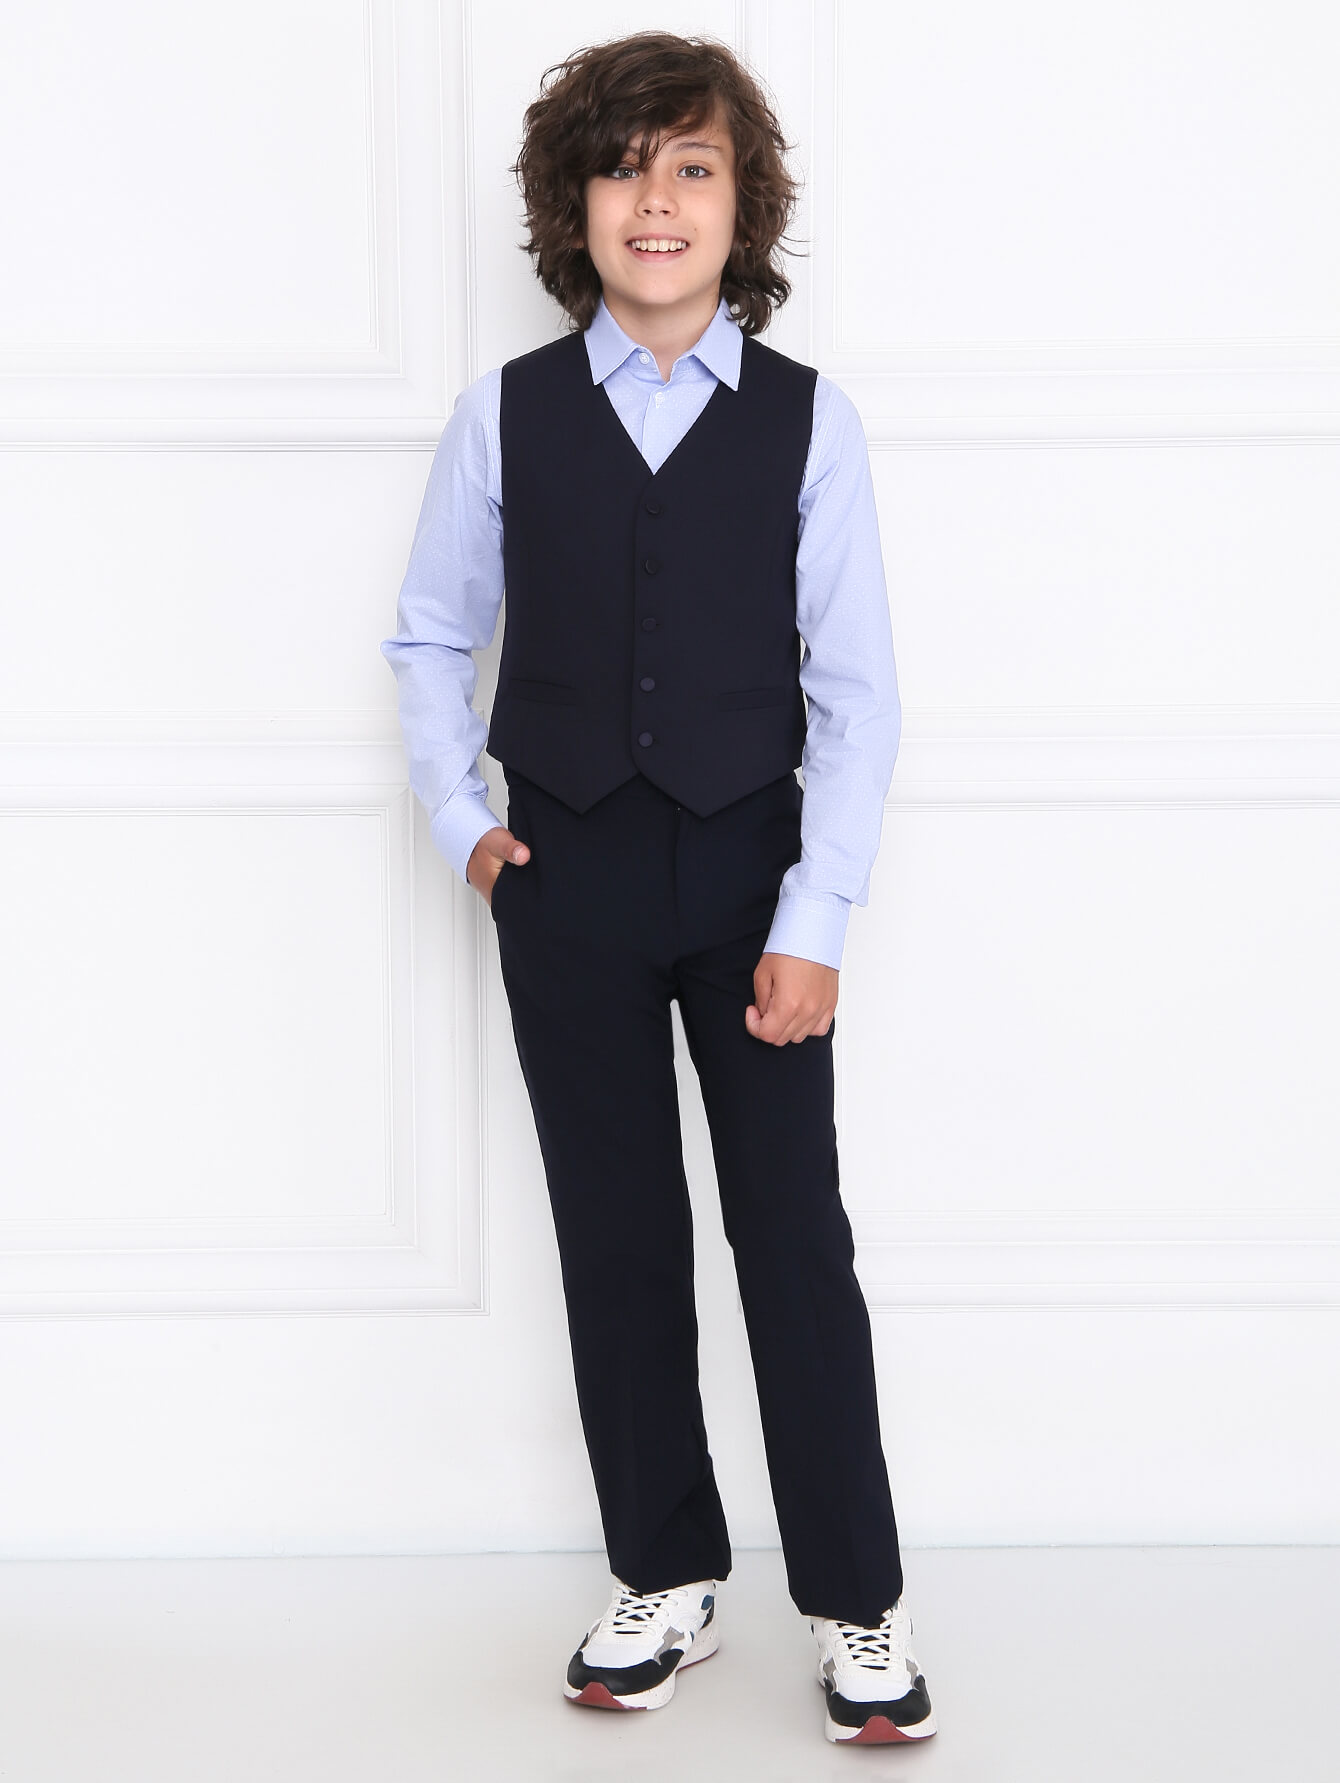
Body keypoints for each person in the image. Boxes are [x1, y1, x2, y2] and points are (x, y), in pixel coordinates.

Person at [381, 30, 937, 1747]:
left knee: (792, 1237)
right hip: (565, 878)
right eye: (623, 168)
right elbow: (430, 635)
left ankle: (856, 1603)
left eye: (692, 167)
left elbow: (858, 693)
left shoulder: (809, 423)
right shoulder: (505, 415)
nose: (656, 200)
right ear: (575, 207)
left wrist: (815, 921)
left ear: (741, 203)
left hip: (753, 876)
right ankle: (666, 1574)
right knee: (616, 1235)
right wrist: (465, 824)